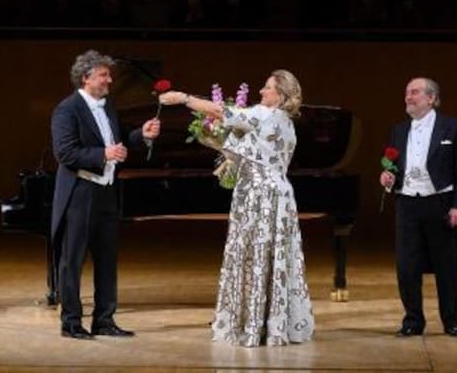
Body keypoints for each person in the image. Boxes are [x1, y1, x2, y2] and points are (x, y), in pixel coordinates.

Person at [159, 70, 315, 347]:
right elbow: (253, 151)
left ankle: (252, 325)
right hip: (279, 194)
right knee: (271, 259)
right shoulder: (286, 123)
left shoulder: (264, 114)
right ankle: (273, 323)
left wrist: (184, 98)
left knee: (253, 257)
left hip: (259, 196)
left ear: (280, 95)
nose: (261, 92)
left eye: (267, 88)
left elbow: (221, 111)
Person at [51, 50, 161, 339]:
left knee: (107, 259)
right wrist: (104, 153)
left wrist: (142, 134)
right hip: (80, 193)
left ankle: (104, 320)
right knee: (72, 261)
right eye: (103, 75)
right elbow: (65, 152)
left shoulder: (107, 105)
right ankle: (71, 323)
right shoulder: (67, 109)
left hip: (106, 193)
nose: (109, 80)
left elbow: (120, 136)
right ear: (86, 78)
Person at [380, 77, 457, 337]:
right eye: (407, 92)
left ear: (431, 98)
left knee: (447, 266)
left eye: (415, 92)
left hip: (439, 203)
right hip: (407, 203)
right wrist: (388, 178)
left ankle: (451, 321)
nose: (408, 97)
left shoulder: (454, 128)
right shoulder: (398, 130)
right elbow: (394, 168)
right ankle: (413, 320)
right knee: (407, 266)